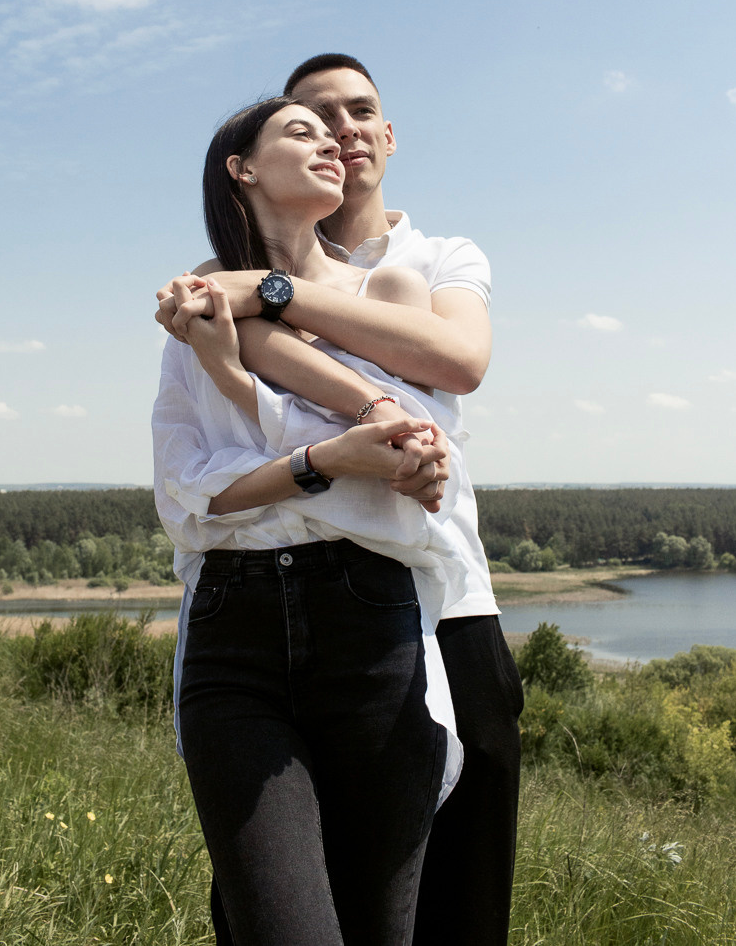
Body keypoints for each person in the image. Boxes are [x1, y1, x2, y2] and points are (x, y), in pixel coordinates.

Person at [156, 55, 523, 946]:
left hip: (431, 591)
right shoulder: (213, 286)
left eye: (357, 114)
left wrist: (269, 302)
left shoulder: (427, 263)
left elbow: (453, 370)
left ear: (388, 136)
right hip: (251, 612)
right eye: (311, 119)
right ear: (246, 165)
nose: (338, 134)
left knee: (456, 895)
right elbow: (194, 489)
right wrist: (333, 434)